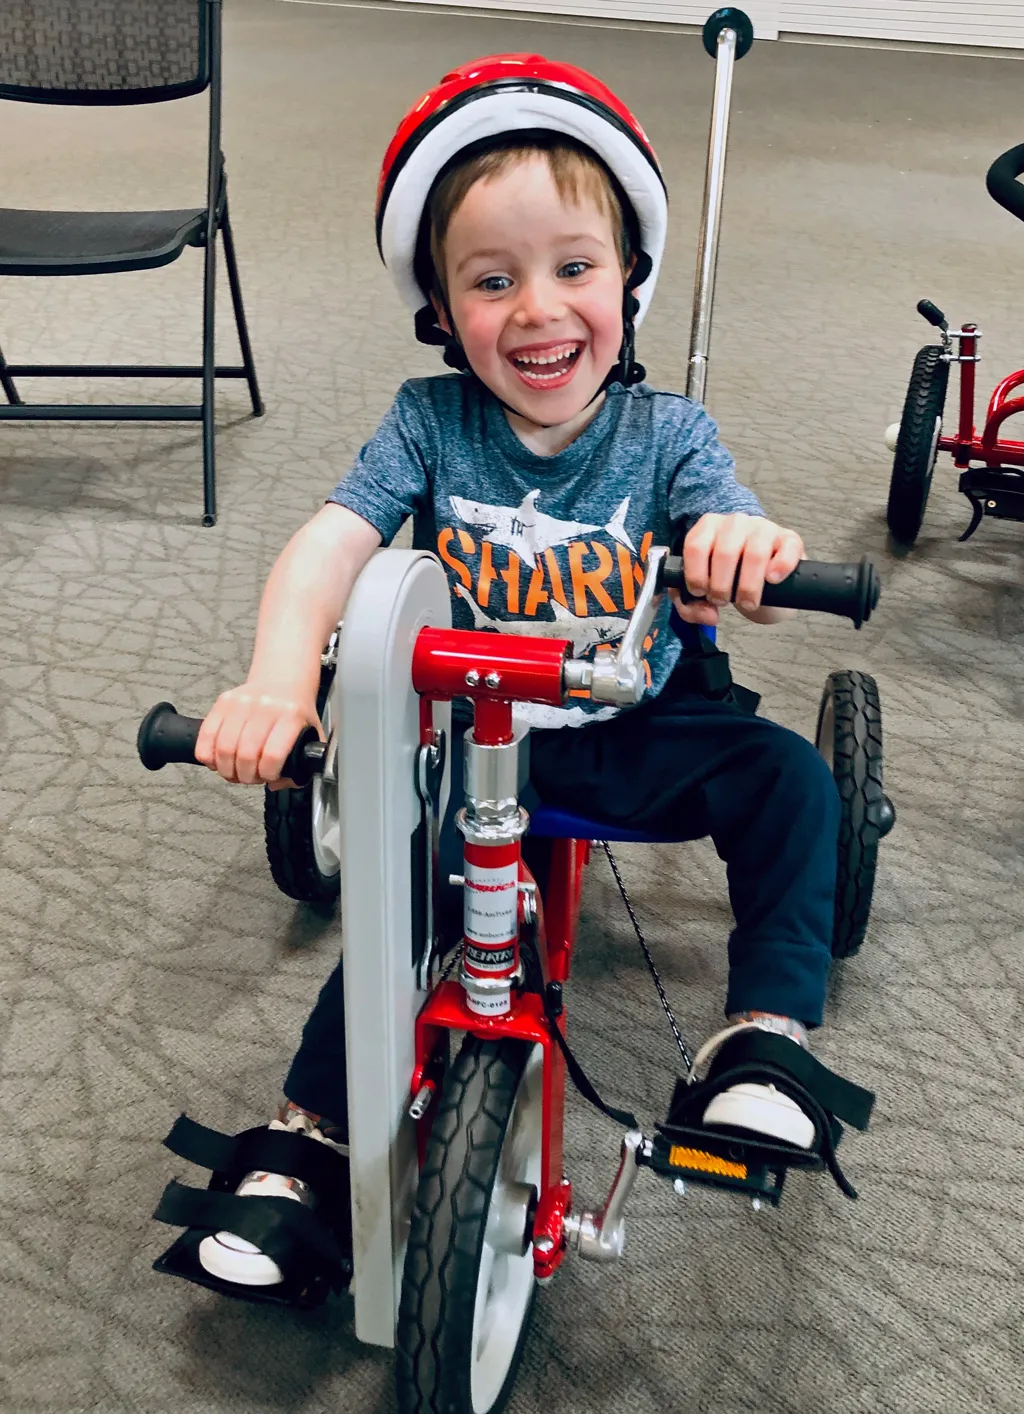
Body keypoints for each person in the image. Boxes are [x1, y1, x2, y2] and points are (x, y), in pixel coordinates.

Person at [188, 55, 840, 1287]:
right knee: (400, 908)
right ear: (441, 309)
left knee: (793, 782)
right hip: (473, 742)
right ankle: (306, 1143)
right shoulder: (428, 423)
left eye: (573, 269)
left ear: (629, 281)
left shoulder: (669, 434)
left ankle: (759, 1039)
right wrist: (279, 680)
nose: (538, 310)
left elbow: (731, 528)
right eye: (493, 280)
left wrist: (738, 545)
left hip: (634, 723)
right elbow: (331, 542)